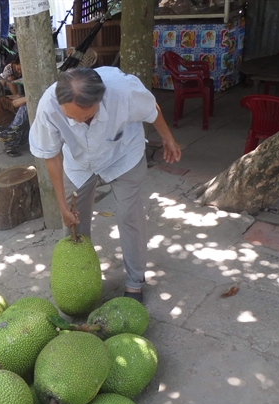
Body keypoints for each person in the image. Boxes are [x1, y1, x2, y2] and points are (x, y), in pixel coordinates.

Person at [29, 67, 181, 303]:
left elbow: (152, 110)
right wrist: (62, 205)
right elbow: (52, 155)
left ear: (100, 99)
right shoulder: (48, 106)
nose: (79, 121)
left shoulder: (124, 91)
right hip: (78, 163)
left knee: (129, 215)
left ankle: (134, 282)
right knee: (73, 224)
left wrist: (167, 138)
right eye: (72, 118)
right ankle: (79, 286)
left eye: (86, 116)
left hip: (123, 155)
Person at [0, 77, 29, 157]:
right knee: (25, 107)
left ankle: (14, 143)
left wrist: (19, 96)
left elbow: (12, 99)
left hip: (2, 131)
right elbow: (14, 103)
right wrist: (29, 97)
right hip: (9, 129)